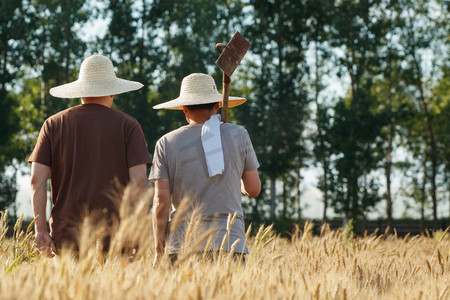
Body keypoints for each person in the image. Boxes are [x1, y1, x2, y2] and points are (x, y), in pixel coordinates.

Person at [28, 55, 152, 255]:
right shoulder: (129, 126)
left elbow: (36, 181)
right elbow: (138, 184)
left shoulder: (52, 124)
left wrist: (40, 230)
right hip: (116, 239)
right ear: (113, 91)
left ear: (80, 91)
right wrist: (139, 233)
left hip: (65, 238)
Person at [150, 73, 261, 265]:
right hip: (229, 243)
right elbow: (253, 189)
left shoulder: (165, 143)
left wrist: (159, 248)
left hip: (182, 244)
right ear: (217, 105)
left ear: (184, 109)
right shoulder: (239, 135)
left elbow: (161, 201)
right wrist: (235, 176)